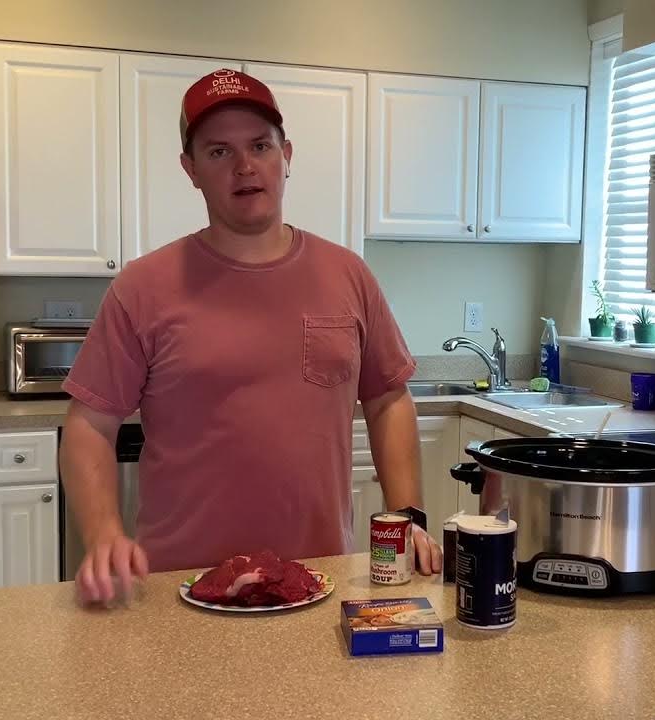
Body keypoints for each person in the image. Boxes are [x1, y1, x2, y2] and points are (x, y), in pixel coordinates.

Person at [59, 69, 441, 606]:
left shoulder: (348, 276)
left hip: (320, 579)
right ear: (190, 170)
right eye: (218, 152)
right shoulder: (142, 288)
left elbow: (387, 400)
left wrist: (406, 517)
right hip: (178, 586)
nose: (244, 166)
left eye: (259, 145)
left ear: (286, 154)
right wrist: (102, 534)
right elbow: (89, 425)